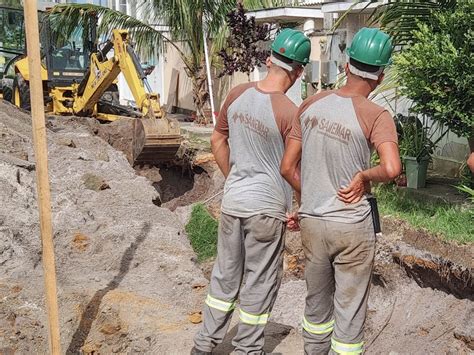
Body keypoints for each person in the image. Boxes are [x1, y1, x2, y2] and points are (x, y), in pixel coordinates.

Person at [281, 27, 402, 354]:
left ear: (347, 66)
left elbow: (287, 167)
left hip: (312, 222)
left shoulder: (310, 104)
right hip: (351, 227)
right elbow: (392, 169)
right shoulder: (377, 116)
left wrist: (306, 203)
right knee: (348, 314)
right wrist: (365, 175)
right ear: (380, 76)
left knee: (317, 308)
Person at [191, 29, 311, 355]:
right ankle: (247, 349)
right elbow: (292, 168)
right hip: (267, 211)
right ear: (299, 71)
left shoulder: (237, 94)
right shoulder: (291, 113)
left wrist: (234, 176)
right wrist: (301, 204)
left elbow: (217, 140)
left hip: (233, 203)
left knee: (224, 277)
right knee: (260, 281)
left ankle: (203, 344)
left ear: (269, 59)